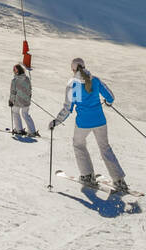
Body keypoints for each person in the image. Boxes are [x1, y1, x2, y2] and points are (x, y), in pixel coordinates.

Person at [48, 57, 129, 192]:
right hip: (100, 120)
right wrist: (108, 102)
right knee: (105, 148)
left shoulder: (73, 85)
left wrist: (56, 121)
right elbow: (110, 96)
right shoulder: (95, 80)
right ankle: (119, 180)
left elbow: (68, 108)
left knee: (78, 144)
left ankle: (87, 175)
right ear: (84, 66)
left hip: (83, 123)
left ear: (73, 69)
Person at [8, 64, 36, 136]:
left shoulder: (15, 80)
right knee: (25, 114)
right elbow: (30, 89)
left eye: (14, 70)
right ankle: (32, 131)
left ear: (17, 71)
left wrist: (11, 100)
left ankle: (19, 129)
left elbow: (13, 92)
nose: (14, 71)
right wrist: (29, 96)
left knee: (15, 112)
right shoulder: (27, 79)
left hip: (17, 101)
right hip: (26, 101)